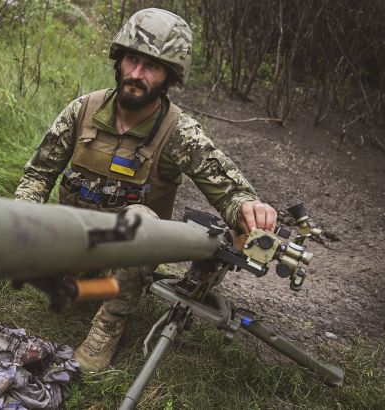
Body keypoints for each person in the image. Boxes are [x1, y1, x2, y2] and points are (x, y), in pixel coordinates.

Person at [14, 8, 277, 373]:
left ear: (169, 76)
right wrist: (23, 222)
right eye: (132, 59)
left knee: (140, 221)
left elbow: (231, 191)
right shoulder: (83, 110)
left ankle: (109, 322)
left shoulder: (179, 132)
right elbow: (38, 174)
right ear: (119, 60)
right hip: (72, 241)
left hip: (127, 257)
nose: (137, 74)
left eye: (151, 66)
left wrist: (249, 208)